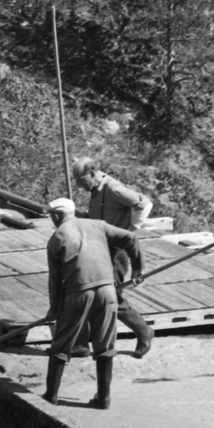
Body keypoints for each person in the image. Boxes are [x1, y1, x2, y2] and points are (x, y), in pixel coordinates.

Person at [43, 198, 142, 410]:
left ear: (56, 216)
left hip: (78, 292)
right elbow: (131, 237)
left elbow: (55, 281)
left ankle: (50, 396)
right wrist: (137, 269)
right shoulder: (98, 225)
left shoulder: (57, 238)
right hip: (108, 291)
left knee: (61, 344)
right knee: (105, 344)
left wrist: (53, 310)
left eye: (52, 217)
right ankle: (104, 399)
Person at [72, 157, 155, 358]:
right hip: (99, 250)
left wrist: (130, 229)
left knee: (111, 296)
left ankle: (143, 331)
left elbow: (145, 204)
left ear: (93, 173)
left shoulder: (114, 189)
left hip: (116, 253)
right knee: (89, 291)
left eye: (83, 181)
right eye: (78, 183)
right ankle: (82, 344)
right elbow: (99, 221)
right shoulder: (96, 192)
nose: (81, 186)